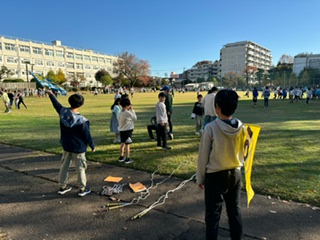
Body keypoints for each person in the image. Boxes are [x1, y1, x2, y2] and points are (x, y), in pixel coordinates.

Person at [197, 89, 246, 240]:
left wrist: (200, 178)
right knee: (234, 212)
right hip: (235, 174)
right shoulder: (242, 127)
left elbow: (203, 156)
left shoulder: (210, 128)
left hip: (215, 175)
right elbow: (245, 153)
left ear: (217, 107)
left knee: (212, 215)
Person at [47, 90, 95, 197]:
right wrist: (92, 145)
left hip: (66, 145)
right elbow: (87, 135)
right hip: (78, 148)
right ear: (81, 104)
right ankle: (82, 188)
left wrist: (51, 94)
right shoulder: (82, 121)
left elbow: (56, 104)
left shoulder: (63, 112)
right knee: (80, 168)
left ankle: (62, 186)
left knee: (64, 166)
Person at [118, 98, 137, 164]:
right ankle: (127, 158)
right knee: (127, 145)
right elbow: (134, 118)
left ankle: (121, 157)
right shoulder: (127, 112)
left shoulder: (121, 112)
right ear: (127, 106)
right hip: (127, 130)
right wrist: (132, 110)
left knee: (122, 144)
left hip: (122, 130)